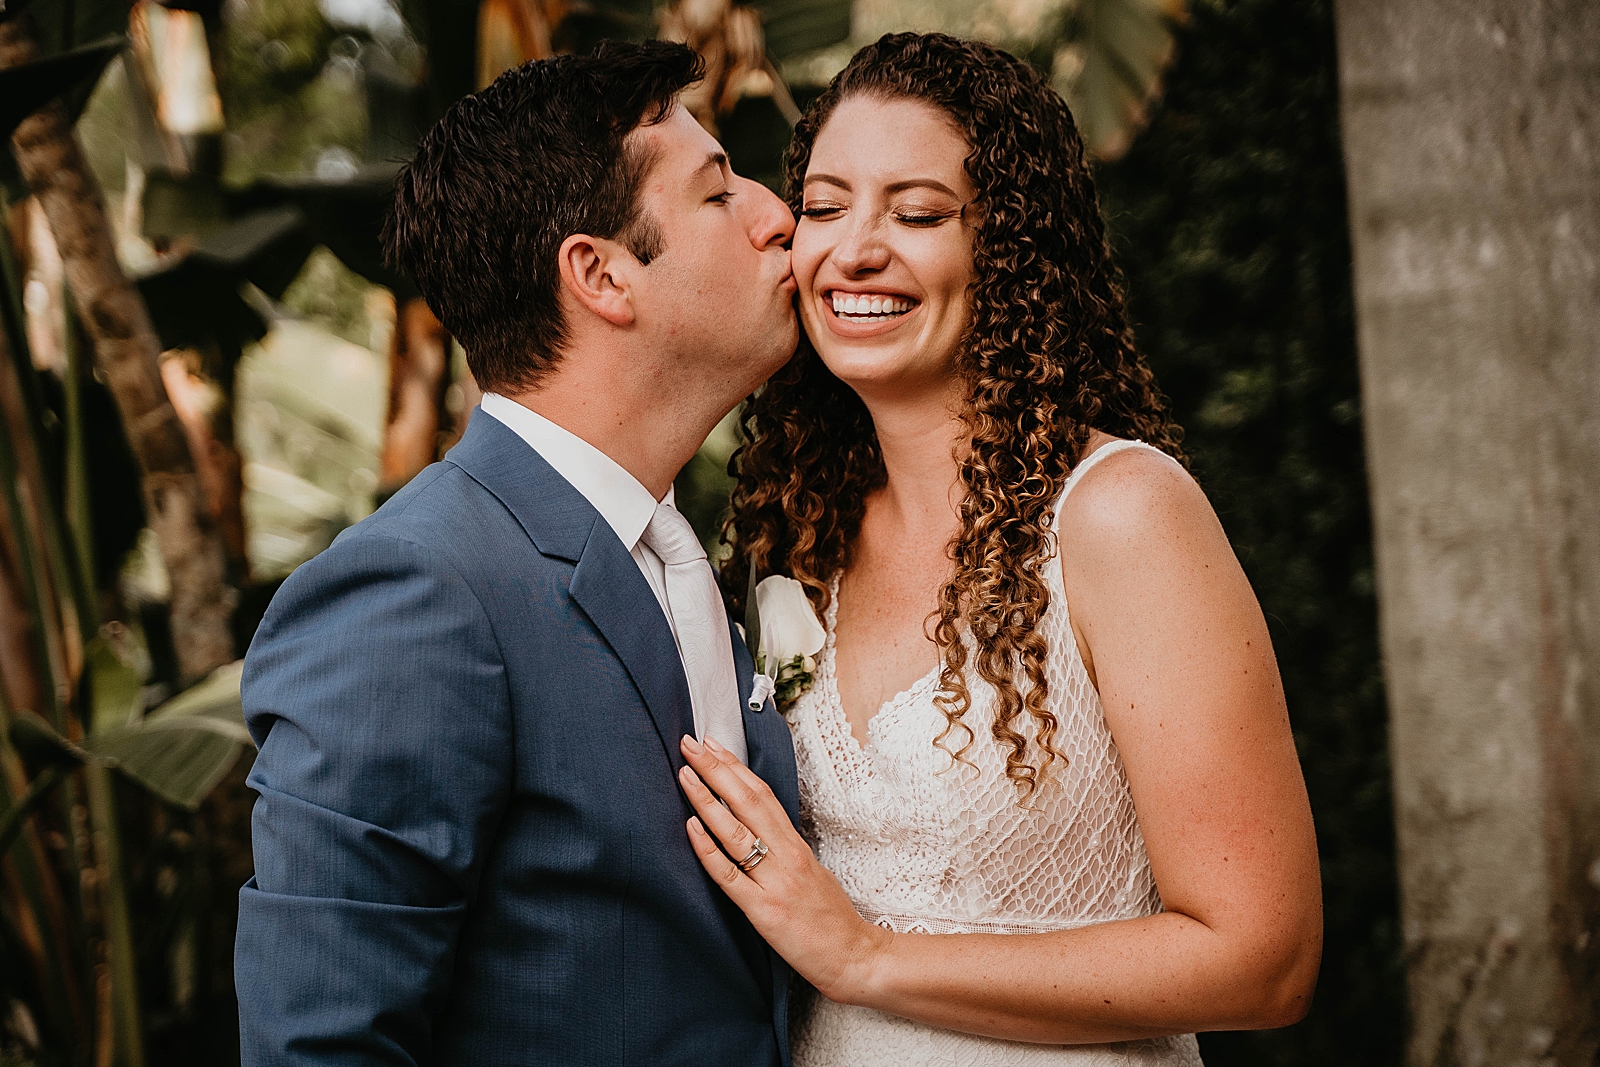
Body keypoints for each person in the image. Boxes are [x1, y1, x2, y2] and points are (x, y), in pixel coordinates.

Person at [678, 33, 1324, 1065]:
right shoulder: (794, 536)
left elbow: (1262, 956)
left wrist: (868, 959)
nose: (855, 248)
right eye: (827, 205)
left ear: (1010, 247)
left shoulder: (1118, 518)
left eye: (919, 213)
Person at [234, 41, 803, 1064]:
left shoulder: (680, 559)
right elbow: (322, 1043)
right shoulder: (412, 591)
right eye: (719, 194)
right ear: (599, 273)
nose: (779, 216)